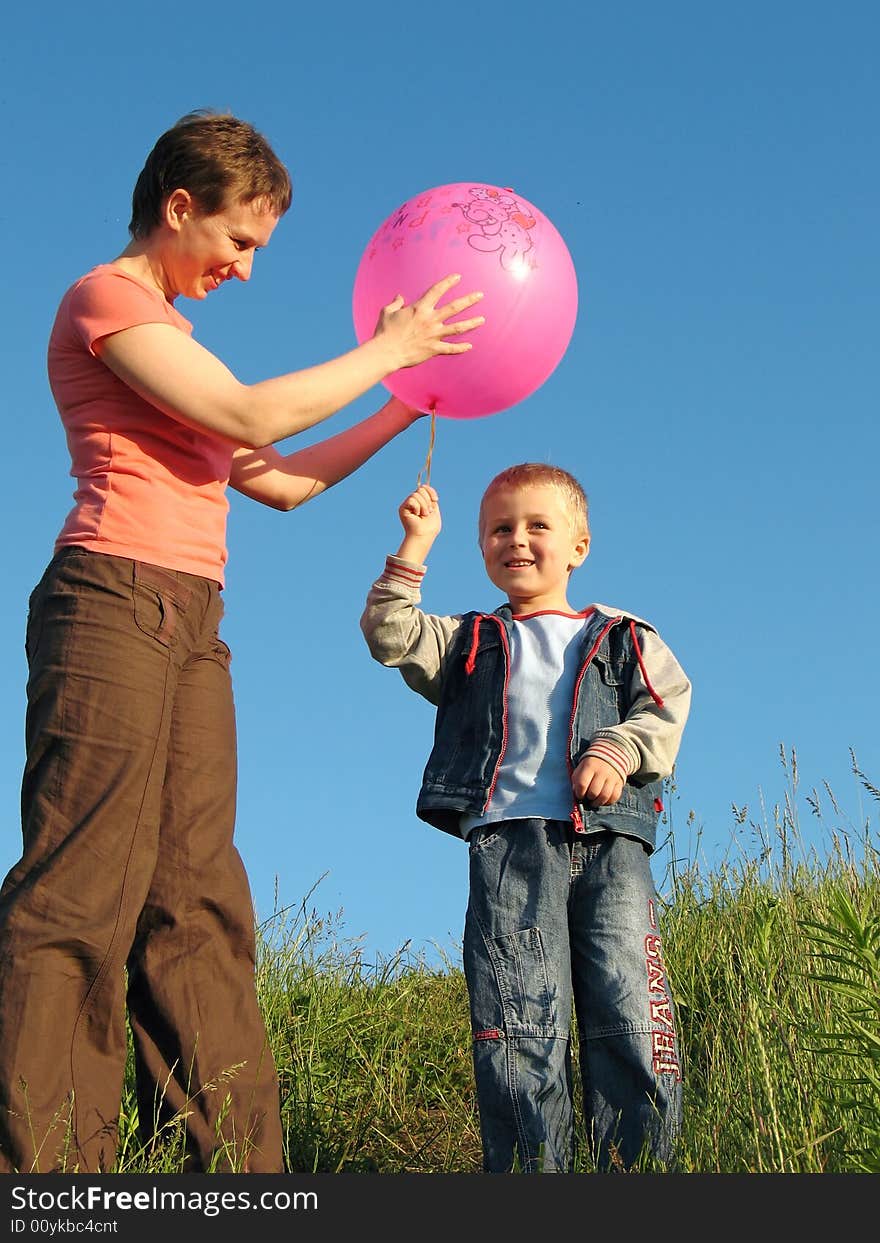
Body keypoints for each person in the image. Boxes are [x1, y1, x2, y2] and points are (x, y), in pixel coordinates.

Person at [0, 109, 485, 1175]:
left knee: (198, 898)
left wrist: (403, 403)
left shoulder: (178, 344)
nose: (247, 269)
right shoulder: (105, 302)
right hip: (109, 603)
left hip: (193, 623)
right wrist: (386, 348)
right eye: (239, 241)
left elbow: (279, 482)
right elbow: (256, 415)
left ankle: (238, 1182)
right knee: (82, 889)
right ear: (180, 208)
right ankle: (46, 1179)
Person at [360, 464, 692, 1172]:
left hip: (609, 844)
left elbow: (665, 704)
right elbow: (390, 634)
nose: (517, 539)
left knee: (630, 1013)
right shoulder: (469, 639)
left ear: (578, 546)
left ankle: (639, 1170)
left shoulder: (621, 635)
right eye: (499, 529)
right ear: (480, 547)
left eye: (538, 525)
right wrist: (415, 545)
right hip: (508, 847)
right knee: (517, 1024)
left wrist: (618, 747)